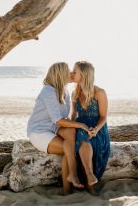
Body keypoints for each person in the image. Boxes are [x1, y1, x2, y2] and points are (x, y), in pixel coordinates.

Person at [27, 62, 90, 195]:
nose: (71, 74)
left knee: (72, 133)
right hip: (39, 131)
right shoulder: (48, 90)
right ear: (60, 74)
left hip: (54, 128)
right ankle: (70, 181)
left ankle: (69, 183)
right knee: (69, 147)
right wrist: (81, 125)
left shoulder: (65, 91)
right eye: (69, 72)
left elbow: (64, 119)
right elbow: (57, 119)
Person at [71, 61, 110, 193]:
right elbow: (73, 115)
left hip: (97, 128)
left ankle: (89, 180)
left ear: (83, 75)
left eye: (74, 71)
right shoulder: (75, 93)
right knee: (82, 134)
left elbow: (104, 117)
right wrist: (71, 128)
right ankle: (89, 177)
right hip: (81, 126)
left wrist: (96, 129)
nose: (72, 73)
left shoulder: (99, 92)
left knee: (85, 136)